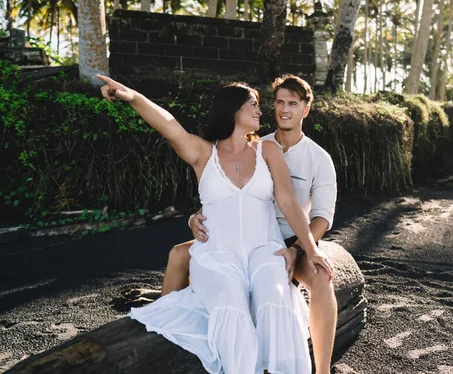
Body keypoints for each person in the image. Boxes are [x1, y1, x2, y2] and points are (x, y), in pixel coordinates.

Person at [96, 74, 334, 374]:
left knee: (275, 302)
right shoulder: (203, 153)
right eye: (254, 105)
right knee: (231, 309)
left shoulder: (267, 150)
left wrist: (309, 250)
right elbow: (169, 125)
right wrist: (133, 97)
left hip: (266, 252)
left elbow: (288, 203)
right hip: (219, 258)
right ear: (234, 110)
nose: (262, 111)